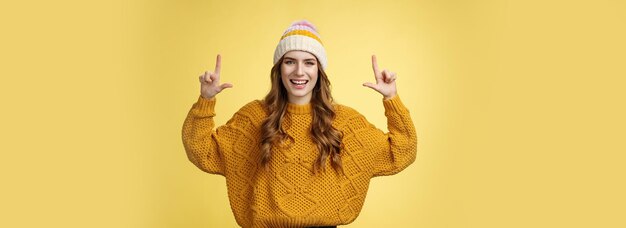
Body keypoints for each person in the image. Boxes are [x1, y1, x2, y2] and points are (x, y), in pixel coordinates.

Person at [182, 20, 417, 228]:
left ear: (319, 70)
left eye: (309, 62)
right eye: (290, 62)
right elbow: (201, 150)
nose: (299, 71)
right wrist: (206, 99)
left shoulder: (345, 122)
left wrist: (391, 98)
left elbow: (402, 151)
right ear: (279, 69)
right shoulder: (254, 117)